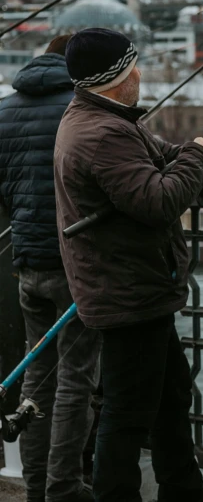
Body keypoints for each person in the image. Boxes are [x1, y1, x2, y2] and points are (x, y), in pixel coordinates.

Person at [54, 28, 203, 502]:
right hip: (128, 292)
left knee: (170, 398)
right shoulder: (103, 132)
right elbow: (157, 201)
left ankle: (184, 488)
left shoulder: (101, 118)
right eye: (132, 68)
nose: (140, 74)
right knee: (126, 414)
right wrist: (198, 154)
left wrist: (191, 153)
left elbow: (153, 157)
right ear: (114, 78)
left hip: (132, 288)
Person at [0, 34, 100, 502]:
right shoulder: (78, 110)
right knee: (75, 381)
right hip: (74, 263)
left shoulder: (4, 112)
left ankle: (36, 485)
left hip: (27, 264)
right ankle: (65, 485)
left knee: (37, 381)